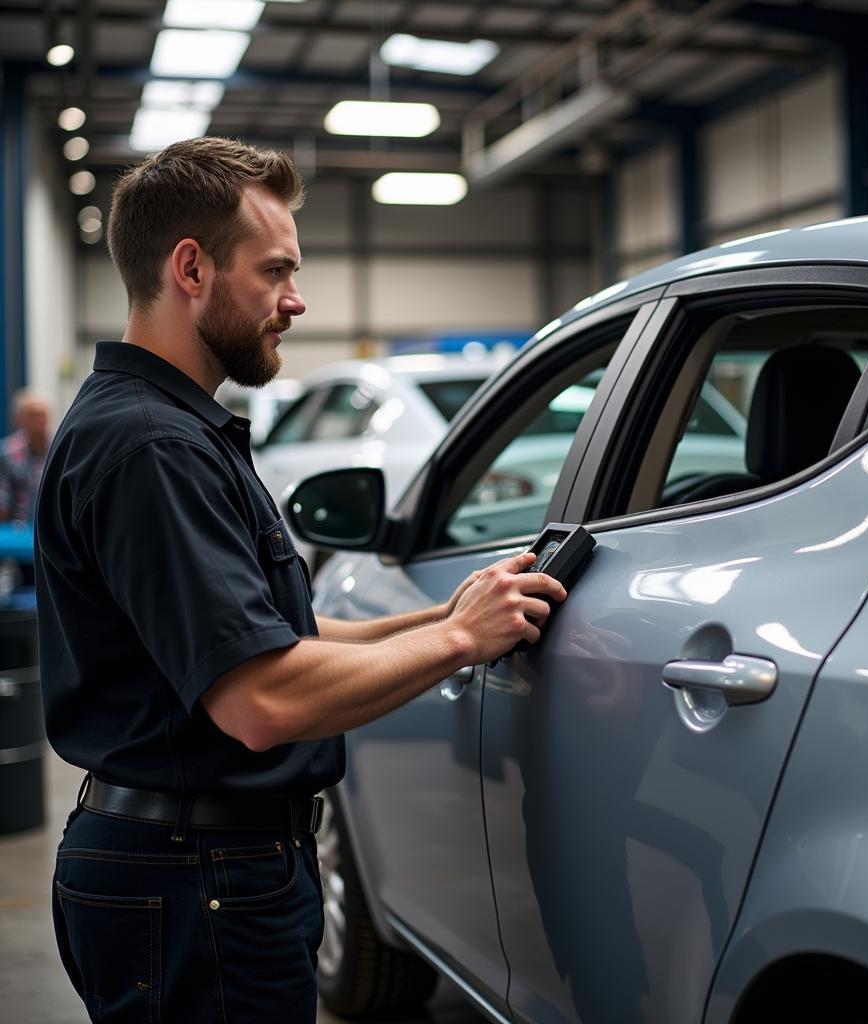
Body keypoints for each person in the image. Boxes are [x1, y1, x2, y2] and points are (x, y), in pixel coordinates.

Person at [34, 137, 565, 1024]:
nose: (296, 298)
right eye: (274, 270)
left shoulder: (167, 429)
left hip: (192, 869)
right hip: (194, 880)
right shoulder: (153, 449)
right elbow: (262, 701)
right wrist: (459, 642)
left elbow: (281, 643)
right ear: (192, 268)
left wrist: (445, 614)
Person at [0, 388, 52, 523]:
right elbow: (2, 501)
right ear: (19, 419)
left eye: (43, 414)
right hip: (18, 532)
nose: (40, 420)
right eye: (33, 415)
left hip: (52, 530)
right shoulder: (7, 452)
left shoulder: (60, 448)